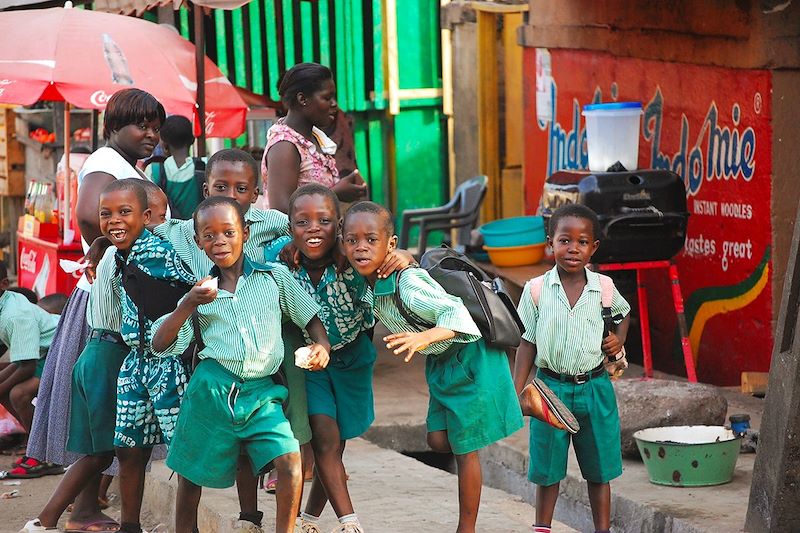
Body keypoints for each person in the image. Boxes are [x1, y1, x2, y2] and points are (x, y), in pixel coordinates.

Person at [151, 196, 332, 533]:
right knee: (191, 475)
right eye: (210, 235)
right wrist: (187, 305)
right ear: (198, 241)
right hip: (212, 389)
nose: (220, 241)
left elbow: (311, 321)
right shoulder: (200, 294)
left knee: (289, 459)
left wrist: (321, 347)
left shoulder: (275, 278)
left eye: (228, 232)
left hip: (263, 392)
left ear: (245, 233)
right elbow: (160, 345)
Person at [26, 89, 164, 528]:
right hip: (106, 306)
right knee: (100, 420)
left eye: (155, 126)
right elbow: (90, 215)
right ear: (114, 127)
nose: (150, 133)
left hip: (115, 298)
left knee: (105, 419)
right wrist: (118, 257)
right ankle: (78, 510)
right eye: (141, 124)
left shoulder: (124, 166)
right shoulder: (105, 163)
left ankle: (89, 503)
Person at [341, 202, 523, 533]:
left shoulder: (407, 284)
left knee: (466, 450)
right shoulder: (367, 282)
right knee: (439, 440)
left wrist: (422, 338)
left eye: (371, 239)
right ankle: (518, 401)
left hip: (470, 357)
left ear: (391, 245)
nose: (361, 247)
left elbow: (459, 317)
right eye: (352, 240)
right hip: (442, 362)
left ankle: (465, 529)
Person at [264, 185, 411, 533]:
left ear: (339, 227)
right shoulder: (281, 262)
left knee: (335, 448)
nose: (314, 228)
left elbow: (389, 254)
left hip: (353, 360)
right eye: (303, 221)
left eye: (325, 220)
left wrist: (406, 257)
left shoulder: (355, 261)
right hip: (311, 364)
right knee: (324, 436)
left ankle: (310, 521)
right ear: (290, 227)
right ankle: (350, 523)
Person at [512, 204, 631, 533]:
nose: (573, 249)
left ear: (593, 247)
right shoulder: (535, 290)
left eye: (582, 242)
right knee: (547, 469)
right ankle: (542, 528)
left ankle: (602, 529)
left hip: (595, 388)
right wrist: (516, 390)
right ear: (550, 243)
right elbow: (526, 343)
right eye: (565, 241)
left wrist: (618, 340)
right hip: (549, 390)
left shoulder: (604, 288)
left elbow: (624, 314)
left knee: (599, 469)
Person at [262, 63, 367, 213]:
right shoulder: (285, 146)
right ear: (302, 99)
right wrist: (335, 194)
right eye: (327, 98)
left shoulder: (313, 139)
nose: (334, 104)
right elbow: (281, 210)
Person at [0, 263, 61, 479]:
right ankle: (38, 447)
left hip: (61, 349)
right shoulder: (5, 305)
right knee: (6, 389)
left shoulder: (14, 315)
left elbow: (27, 366)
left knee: (18, 393)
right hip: (43, 353)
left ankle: (43, 454)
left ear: (4, 284)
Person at [146, 115, 204, 220]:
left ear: (163, 144)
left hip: (167, 233)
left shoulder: (154, 170)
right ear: (192, 140)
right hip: (200, 232)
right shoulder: (205, 166)